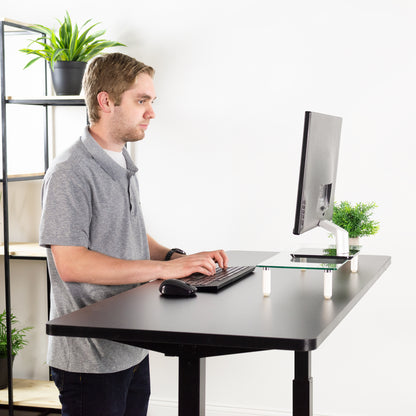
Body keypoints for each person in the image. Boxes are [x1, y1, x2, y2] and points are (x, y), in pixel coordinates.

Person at [39, 52, 228, 416]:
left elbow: (132, 235)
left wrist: (177, 258)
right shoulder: (70, 173)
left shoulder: (122, 162)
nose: (151, 112)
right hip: (89, 359)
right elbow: (72, 264)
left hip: (130, 344)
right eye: (141, 101)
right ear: (105, 101)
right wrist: (162, 271)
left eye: (151, 102)